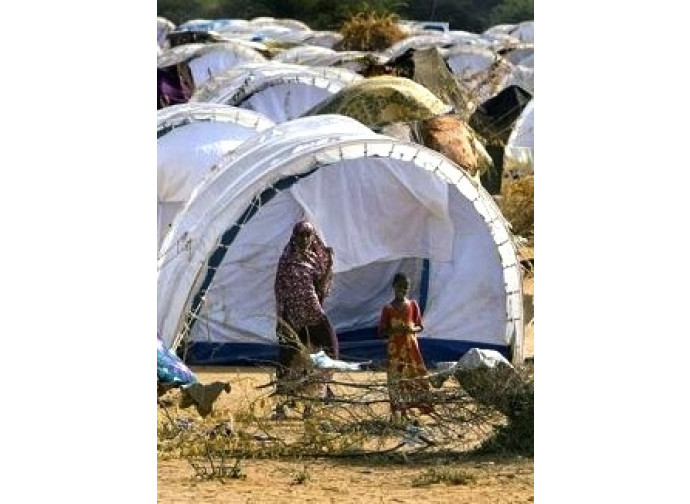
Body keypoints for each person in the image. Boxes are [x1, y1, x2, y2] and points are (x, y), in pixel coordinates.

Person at [273, 220, 338, 417]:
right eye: (301, 235)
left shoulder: (313, 259)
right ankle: (283, 403)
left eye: (308, 235)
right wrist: (281, 319)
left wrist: (329, 266)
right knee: (289, 360)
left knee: (329, 351)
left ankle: (317, 396)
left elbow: (321, 287)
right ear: (294, 236)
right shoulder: (286, 261)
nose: (304, 239)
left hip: (313, 314)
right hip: (292, 318)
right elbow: (279, 290)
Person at [378, 273, 434, 419]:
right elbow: (382, 331)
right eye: (400, 286)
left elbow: (420, 326)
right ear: (394, 287)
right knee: (396, 380)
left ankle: (409, 412)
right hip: (395, 350)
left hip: (410, 348)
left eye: (405, 287)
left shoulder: (412, 305)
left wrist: (411, 330)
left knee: (414, 377)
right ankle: (397, 413)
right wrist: (396, 330)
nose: (402, 289)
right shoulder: (388, 309)